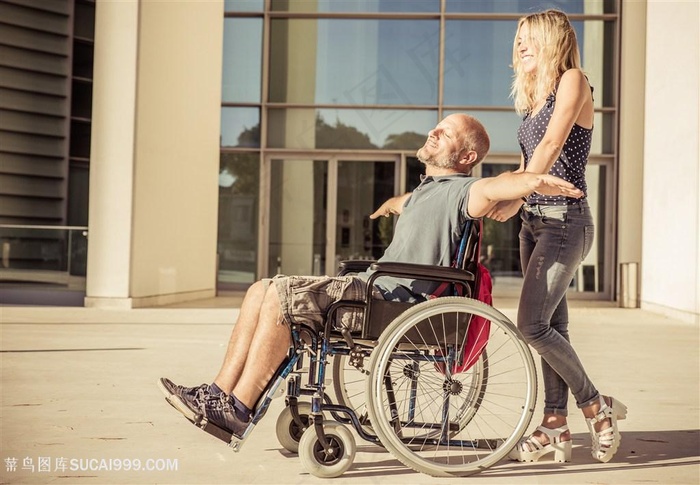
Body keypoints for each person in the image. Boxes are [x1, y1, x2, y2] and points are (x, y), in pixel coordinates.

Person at [159, 113, 584, 442]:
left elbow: (499, 187)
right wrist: (389, 204)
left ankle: (238, 407)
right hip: (377, 293)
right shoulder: (425, 192)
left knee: (280, 296)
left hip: (392, 304)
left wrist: (537, 181)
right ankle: (217, 393)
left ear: (467, 157)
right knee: (260, 288)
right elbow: (407, 202)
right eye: (435, 128)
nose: (434, 134)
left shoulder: (463, 190)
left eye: (446, 133)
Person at [486, 9, 627, 463]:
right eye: (518, 39)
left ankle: (595, 405)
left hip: (565, 221)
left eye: (529, 38)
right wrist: (515, 199)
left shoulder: (574, 79)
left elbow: (549, 147)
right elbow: (534, 157)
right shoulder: (534, 96)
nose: (520, 45)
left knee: (531, 325)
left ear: (553, 39)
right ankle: (555, 423)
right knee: (552, 326)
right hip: (535, 222)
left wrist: (515, 190)